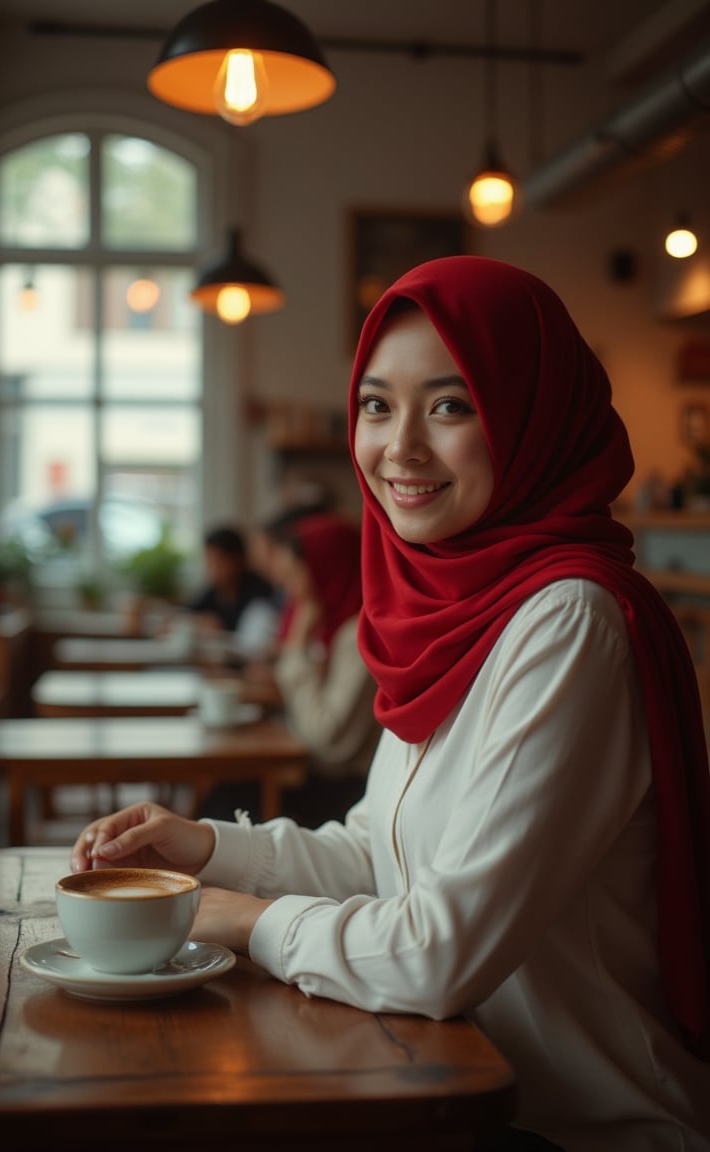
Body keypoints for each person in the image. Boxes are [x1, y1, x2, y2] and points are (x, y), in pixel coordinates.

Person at [71, 256, 710, 1151]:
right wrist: (209, 847)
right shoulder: (444, 608)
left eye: (451, 405)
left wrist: (245, 920)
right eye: (377, 404)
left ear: (531, 419)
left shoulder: (570, 619)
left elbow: (437, 954)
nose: (399, 447)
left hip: (576, 1126)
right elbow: (380, 851)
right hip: (444, 1078)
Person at [249, 511, 381, 826]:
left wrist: (295, 648)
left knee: (233, 796)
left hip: (347, 792)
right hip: (327, 777)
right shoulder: (335, 625)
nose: (290, 589)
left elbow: (326, 738)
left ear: (326, 570)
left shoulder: (358, 634)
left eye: (295, 574)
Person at [184, 524, 279, 660]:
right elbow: (189, 613)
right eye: (209, 562)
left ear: (237, 560)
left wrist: (219, 631)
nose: (213, 569)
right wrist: (197, 622)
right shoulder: (214, 590)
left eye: (218, 562)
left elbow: (254, 641)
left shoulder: (260, 592)